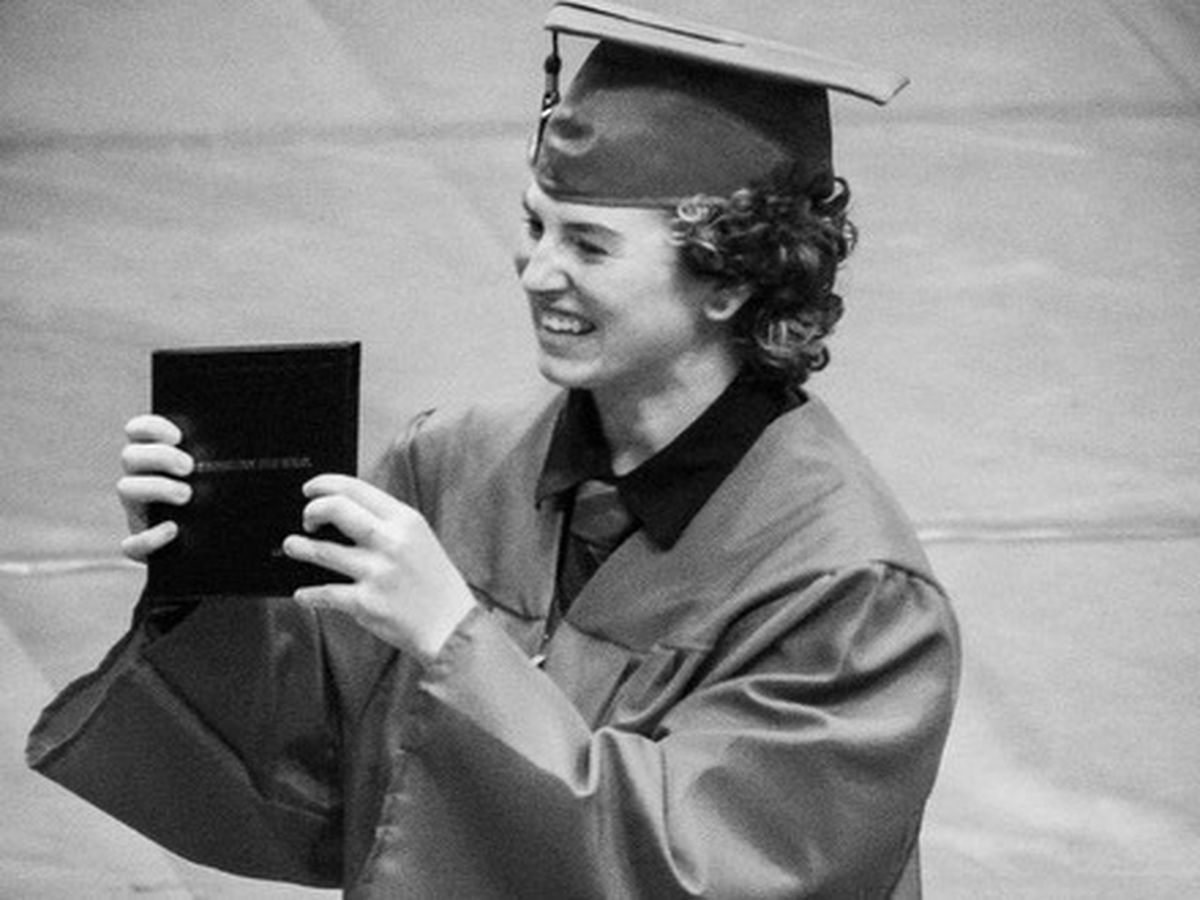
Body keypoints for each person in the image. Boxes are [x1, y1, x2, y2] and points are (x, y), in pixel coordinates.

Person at [28, 2, 960, 897]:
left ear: (729, 281)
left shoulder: (848, 594)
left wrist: (454, 644)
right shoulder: (458, 464)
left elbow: (707, 872)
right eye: (534, 224)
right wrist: (208, 573)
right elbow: (324, 782)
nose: (537, 271)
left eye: (589, 245)